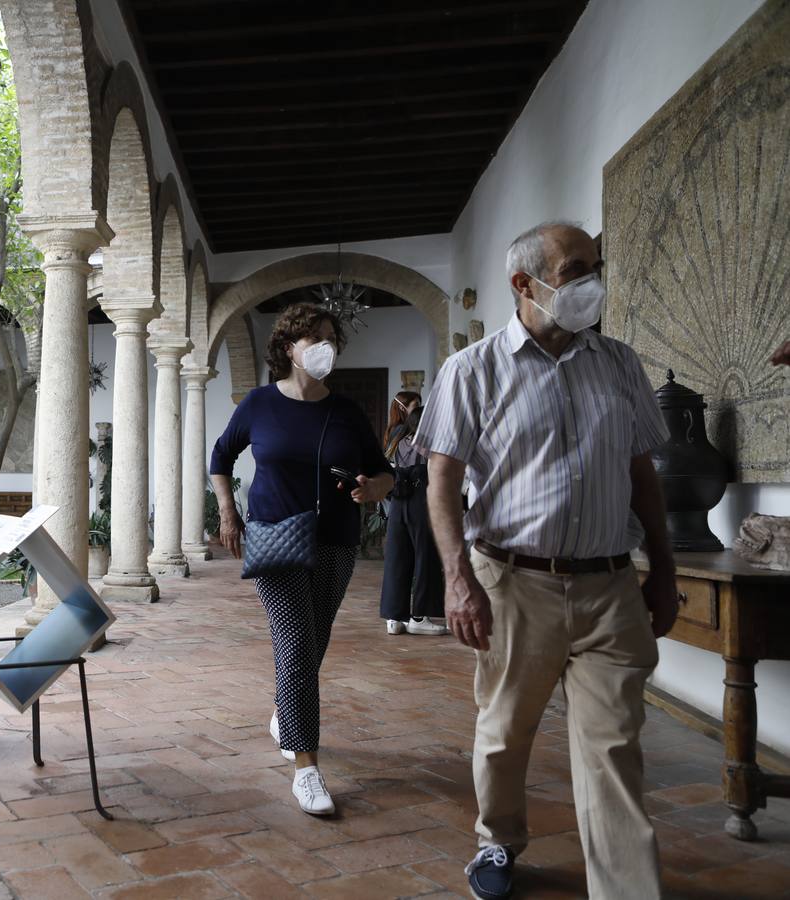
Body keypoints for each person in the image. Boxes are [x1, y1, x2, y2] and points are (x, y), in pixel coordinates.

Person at [415, 221, 678, 900]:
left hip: (611, 584)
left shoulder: (619, 363)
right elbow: (440, 481)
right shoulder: (472, 371)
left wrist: (665, 570)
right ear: (523, 284)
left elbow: (641, 472)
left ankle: (625, 890)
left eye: (596, 265)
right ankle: (498, 843)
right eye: (575, 269)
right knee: (504, 732)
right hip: (513, 583)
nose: (592, 281)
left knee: (614, 746)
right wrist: (458, 580)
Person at [210, 302, 394, 816]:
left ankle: (285, 713)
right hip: (274, 540)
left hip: (335, 538)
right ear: (289, 348)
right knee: (294, 641)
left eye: (331, 337)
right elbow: (221, 457)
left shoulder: (348, 412)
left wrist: (373, 488)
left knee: (315, 640)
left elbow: (385, 473)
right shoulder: (259, 404)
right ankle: (306, 769)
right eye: (314, 337)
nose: (325, 346)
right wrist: (228, 512)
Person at [379, 395, 447, 635]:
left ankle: (393, 618)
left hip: (398, 500)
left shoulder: (397, 439)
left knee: (397, 557)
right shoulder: (429, 445)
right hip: (421, 500)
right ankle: (419, 616)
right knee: (424, 555)